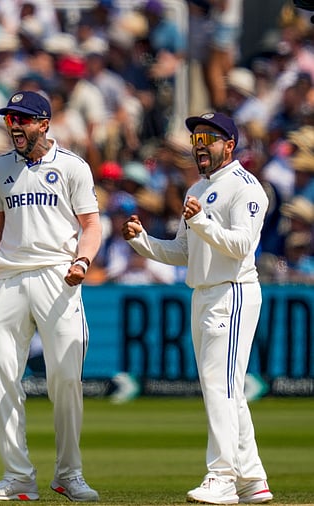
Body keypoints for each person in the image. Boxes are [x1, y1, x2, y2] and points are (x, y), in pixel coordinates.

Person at [0, 90, 102, 502]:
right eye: (10, 120)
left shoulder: (72, 167)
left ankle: (69, 473)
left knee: (66, 377)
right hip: (10, 278)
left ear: (44, 123)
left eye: (23, 120)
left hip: (59, 275)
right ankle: (18, 477)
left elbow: (91, 225)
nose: (14, 126)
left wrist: (82, 262)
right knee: (1, 375)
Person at [121, 112, 272, 505]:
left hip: (232, 292)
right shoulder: (199, 189)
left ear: (230, 145)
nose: (200, 144)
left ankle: (221, 476)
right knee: (227, 389)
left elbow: (241, 247)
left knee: (219, 386)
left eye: (209, 137)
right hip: (203, 292)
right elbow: (183, 252)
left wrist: (202, 221)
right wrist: (143, 242)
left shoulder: (246, 188)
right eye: (196, 138)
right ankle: (253, 479)